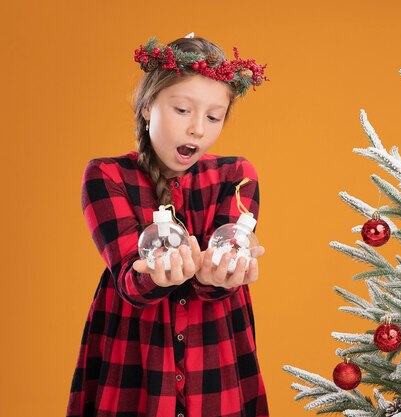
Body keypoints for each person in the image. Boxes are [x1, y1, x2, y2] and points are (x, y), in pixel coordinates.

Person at [66, 33, 270, 417]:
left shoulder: (237, 176)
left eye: (213, 117)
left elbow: (224, 268)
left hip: (215, 357)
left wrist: (217, 276)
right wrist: (153, 277)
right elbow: (129, 281)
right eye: (182, 110)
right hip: (136, 357)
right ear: (147, 107)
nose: (197, 129)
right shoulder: (106, 175)